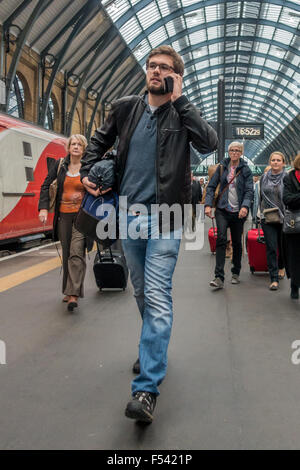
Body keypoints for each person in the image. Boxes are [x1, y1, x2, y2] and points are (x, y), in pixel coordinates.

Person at [80, 45, 218, 422]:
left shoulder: (180, 114)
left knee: (157, 295)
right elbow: (97, 143)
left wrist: (182, 99)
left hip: (166, 218)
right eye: (152, 66)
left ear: (175, 75)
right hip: (126, 217)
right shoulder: (126, 107)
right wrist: (87, 174)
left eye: (165, 68)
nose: (156, 71)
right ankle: (152, 349)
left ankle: (146, 389)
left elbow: (210, 143)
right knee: (141, 292)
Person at [38, 134, 90, 312]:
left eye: (79, 144)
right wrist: (43, 208)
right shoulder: (60, 166)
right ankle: (68, 290)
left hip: (82, 217)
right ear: (68, 148)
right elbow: (45, 185)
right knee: (68, 252)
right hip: (63, 216)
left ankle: (73, 294)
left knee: (77, 252)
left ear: (83, 149)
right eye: (73, 144)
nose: (76, 147)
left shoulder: (88, 167)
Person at [204, 141, 253, 288]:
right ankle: (219, 277)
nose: (235, 152)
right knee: (221, 239)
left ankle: (236, 272)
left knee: (237, 242)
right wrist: (207, 205)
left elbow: (249, 190)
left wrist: (245, 206)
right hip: (222, 209)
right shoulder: (222, 167)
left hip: (239, 212)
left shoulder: (245, 169)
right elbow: (211, 187)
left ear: (241, 152)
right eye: (232, 150)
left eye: (238, 150)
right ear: (228, 151)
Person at [256, 152, 286, 290]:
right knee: (272, 247)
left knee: (283, 246)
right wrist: (258, 214)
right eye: (273, 160)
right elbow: (260, 197)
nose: (275, 162)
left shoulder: (288, 178)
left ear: (283, 163)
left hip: (285, 217)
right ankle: (274, 278)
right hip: (267, 217)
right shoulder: (264, 178)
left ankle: (281, 266)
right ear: (269, 162)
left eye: (278, 160)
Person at [282, 152, 300, 299]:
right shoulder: (289, 177)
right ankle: (294, 284)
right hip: (295, 224)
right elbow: (287, 199)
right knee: (294, 256)